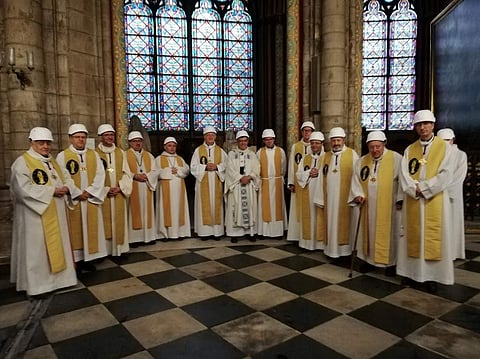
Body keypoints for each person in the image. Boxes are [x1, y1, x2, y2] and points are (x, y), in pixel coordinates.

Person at [10, 127, 77, 296]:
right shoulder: (22, 162)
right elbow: (21, 189)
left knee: (57, 245)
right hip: (35, 217)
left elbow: (66, 177)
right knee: (37, 249)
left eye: (48, 143)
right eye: (41, 143)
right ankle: (39, 285)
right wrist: (51, 192)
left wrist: (68, 187)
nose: (45, 146)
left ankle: (61, 281)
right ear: (31, 142)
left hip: (57, 211)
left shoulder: (53, 162)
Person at [399, 109, 455, 292]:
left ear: (433, 125)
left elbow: (446, 174)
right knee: (412, 236)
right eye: (419, 125)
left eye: (426, 124)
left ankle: (431, 277)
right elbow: (404, 174)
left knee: (433, 238)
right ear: (415, 127)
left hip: (435, 200)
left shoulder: (445, 147)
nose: (423, 128)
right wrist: (413, 189)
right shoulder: (410, 149)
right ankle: (411, 273)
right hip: (413, 199)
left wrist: (424, 188)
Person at [348, 131, 403, 275]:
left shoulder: (396, 159)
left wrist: (400, 198)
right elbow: (356, 181)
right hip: (368, 206)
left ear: (384, 144)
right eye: (371, 147)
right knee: (369, 233)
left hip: (390, 206)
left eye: (378, 146)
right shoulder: (361, 161)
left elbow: (403, 180)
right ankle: (369, 261)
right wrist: (358, 195)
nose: (375, 150)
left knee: (391, 234)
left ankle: (392, 264)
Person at [57, 124, 108, 272]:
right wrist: (77, 192)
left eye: (83, 137)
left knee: (90, 228)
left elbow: (100, 175)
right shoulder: (63, 156)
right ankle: (77, 260)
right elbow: (63, 177)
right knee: (76, 229)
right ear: (70, 139)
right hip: (75, 200)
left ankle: (89, 258)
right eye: (77, 137)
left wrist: (90, 191)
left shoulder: (94, 155)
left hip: (91, 198)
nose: (80, 140)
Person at [314, 127, 359, 259]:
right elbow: (321, 177)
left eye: (338, 140)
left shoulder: (352, 155)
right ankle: (330, 251)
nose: (336, 143)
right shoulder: (326, 156)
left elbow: (357, 178)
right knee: (330, 223)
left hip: (346, 200)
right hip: (329, 199)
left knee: (345, 225)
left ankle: (345, 252)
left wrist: (355, 195)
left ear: (344, 140)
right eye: (333, 141)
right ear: (330, 142)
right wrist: (320, 198)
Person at [96, 124, 132, 256]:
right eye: (106, 135)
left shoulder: (120, 153)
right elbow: (92, 176)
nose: (110, 137)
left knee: (118, 222)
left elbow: (127, 173)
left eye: (111, 135)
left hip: (118, 193)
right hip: (103, 195)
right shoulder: (95, 154)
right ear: (101, 137)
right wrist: (105, 189)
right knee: (104, 223)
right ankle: (104, 252)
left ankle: (119, 250)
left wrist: (121, 187)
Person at [190, 126, 227, 240]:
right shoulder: (198, 150)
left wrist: (218, 167)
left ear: (215, 136)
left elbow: (227, 165)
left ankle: (217, 232)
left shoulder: (221, 151)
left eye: (212, 135)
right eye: (208, 135)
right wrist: (205, 167)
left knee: (216, 206)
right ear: (204, 137)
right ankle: (204, 233)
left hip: (216, 181)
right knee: (204, 207)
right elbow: (193, 167)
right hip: (203, 183)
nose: (210, 137)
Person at [437, 128, 468, 260]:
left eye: (447, 141)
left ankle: (453, 253)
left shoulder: (461, 155)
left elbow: (458, 178)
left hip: (450, 197)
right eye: (441, 141)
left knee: (452, 223)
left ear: (453, 140)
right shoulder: (436, 154)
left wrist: (442, 190)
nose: (444, 144)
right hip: (436, 196)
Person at [225, 131, 260, 242]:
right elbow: (229, 170)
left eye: (245, 141)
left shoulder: (252, 155)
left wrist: (250, 177)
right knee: (234, 208)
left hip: (249, 185)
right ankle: (235, 234)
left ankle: (250, 233)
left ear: (248, 141)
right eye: (240, 141)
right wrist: (240, 178)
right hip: (236, 185)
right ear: (237, 142)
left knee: (250, 207)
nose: (243, 143)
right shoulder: (231, 154)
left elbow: (257, 169)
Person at [126, 131, 158, 246]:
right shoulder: (125, 155)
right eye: (134, 141)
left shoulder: (149, 156)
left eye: (139, 141)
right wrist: (134, 176)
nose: (137, 143)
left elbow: (155, 171)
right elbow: (122, 171)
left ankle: (149, 237)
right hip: (133, 186)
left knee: (146, 211)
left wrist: (147, 176)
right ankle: (134, 239)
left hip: (146, 186)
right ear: (130, 143)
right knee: (133, 212)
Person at [155, 136, 191, 240]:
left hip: (179, 190)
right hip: (165, 190)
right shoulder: (159, 159)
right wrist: (167, 171)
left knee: (179, 209)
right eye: (169, 146)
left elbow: (187, 170)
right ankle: (165, 233)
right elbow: (155, 173)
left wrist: (179, 170)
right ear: (164, 147)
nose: (172, 148)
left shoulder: (180, 159)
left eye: (174, 146)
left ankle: (180, 233)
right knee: (165, 209)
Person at [287, 121, 317, 241]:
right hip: (298, 183)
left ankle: (310, 236)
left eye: (309, 130)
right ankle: (297, 235)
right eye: (304, 130)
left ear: (312, 132)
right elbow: (291, 164)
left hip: (312, 184)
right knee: (297, 210)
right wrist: (291, 182)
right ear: (301, 132)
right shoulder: (296, 146)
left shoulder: (316, 145)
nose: (306, 133)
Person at [296, 131, 325, 250]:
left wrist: (319, 172)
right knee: (309, 217)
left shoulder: (327, 157)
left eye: (317, 143)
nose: (314, 146)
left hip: (321, 193)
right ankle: (308, 244)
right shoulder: (305, 158)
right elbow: (298, 174)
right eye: (312, 143)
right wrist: (309, 172)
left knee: (320, 217)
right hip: (307, 191)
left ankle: (320, 244)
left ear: (322, 144)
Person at [256, 129, 288, 238]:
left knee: (277, 207)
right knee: (263, 208)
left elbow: (283, 167)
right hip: (264, 181)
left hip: (277, 181)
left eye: (270, 139)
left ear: (274, 139)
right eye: (266, 139)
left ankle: (278, 232)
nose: (269, 141)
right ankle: (263, 232)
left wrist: (279, 177)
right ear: (263, 141)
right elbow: (257, 168)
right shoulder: (259, 152)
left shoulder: (281, 151)